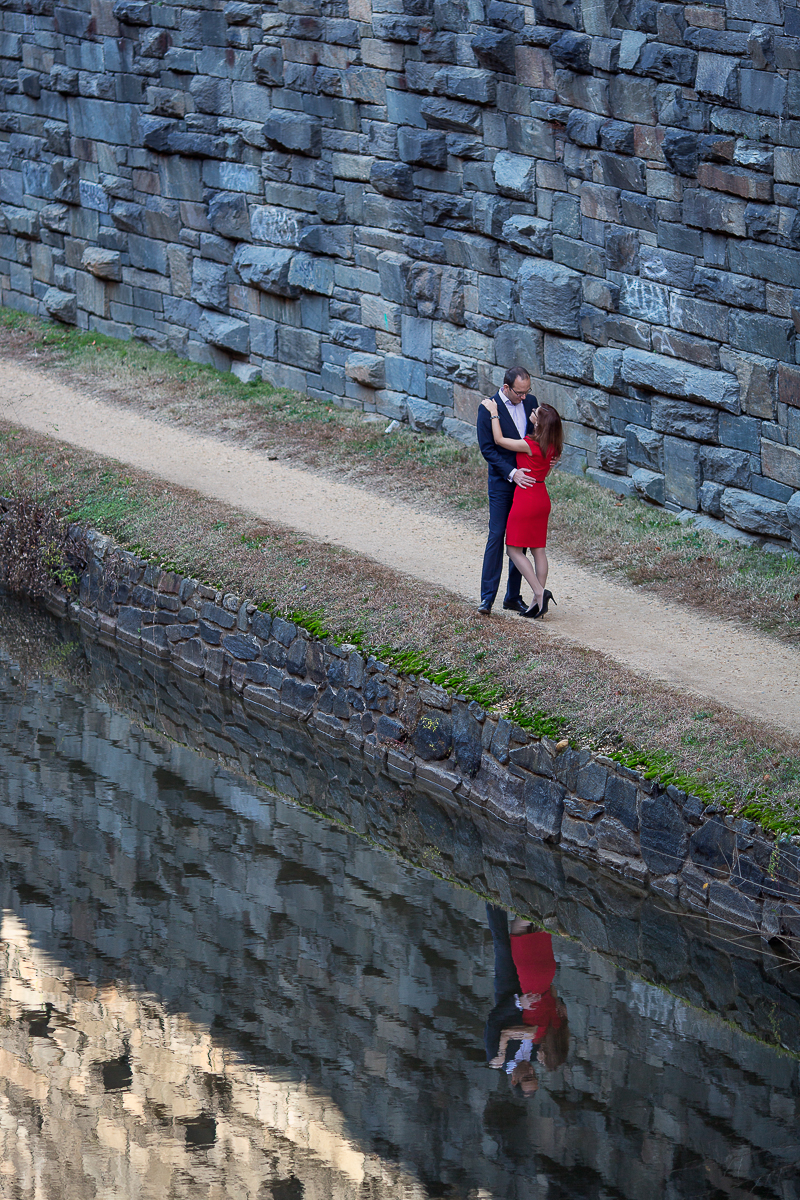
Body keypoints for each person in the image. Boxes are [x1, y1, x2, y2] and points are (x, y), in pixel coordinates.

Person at [480, 398, 563, 619]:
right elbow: (545, 471)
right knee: (538, 550)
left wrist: (494, 412)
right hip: (542, 497)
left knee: (513, 550)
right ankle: (537, 602)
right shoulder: (552, 446)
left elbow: (498, 440)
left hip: (527, 498)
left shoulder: (530, 444)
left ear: (539, 423)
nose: (532, 411)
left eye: (536, 412)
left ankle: (539, 592)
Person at [476, 367, 538, 617]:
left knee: (519, 538)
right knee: (497, 534)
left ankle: (513, 597)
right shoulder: (487, 408)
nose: (524, 397)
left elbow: (538, 437)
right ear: (506, 388)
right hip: (503, 482)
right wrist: (513, 473)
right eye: (519, 393)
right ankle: (487, 598)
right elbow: (488, 449)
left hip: (527, 482)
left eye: (527, 392)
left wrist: (548, 455)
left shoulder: (531, 402)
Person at [483, 904, 540, 1098]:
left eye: (527, 1077)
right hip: (532, 988)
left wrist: (518, 1003)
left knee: (502, 944)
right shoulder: (536, 1055)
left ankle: (492, 896)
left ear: (514, 1080)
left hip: (508, 988)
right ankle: (530, 904)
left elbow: (494, 1020)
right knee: (527, 939)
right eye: (535, 1075)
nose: (531, 1070)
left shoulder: (497, 1058)